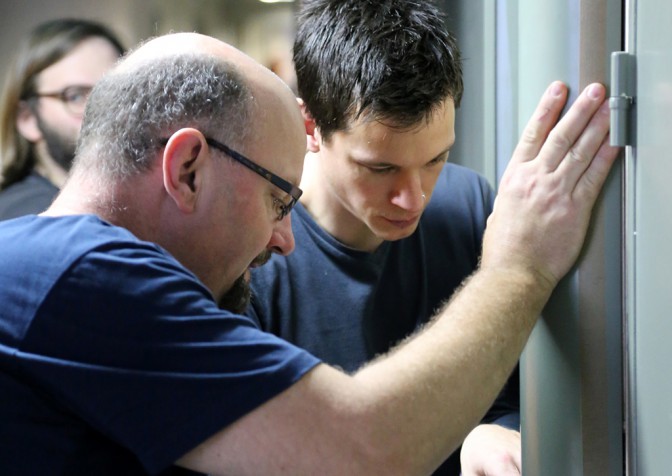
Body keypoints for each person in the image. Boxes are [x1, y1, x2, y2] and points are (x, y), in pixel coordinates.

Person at [0, 30, 618, 475]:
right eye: (276, 197)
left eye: (435, 161)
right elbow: (363, 451)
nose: (284, 236)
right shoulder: (89, 277)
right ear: (188, 168)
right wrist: (520, 265)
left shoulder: (49, 268)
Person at [246, 1, 515, 473]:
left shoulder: (469, 206)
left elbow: (513, 388)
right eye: (381, 168)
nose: (413, 199)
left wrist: (494, 430)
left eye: (435, 160)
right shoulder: (252, 257)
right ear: (309, 125)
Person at [0, 18, 124, 221]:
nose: (106, 109)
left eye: (115, 91)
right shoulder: (30, 217)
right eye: (75, 96)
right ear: (28, 119)